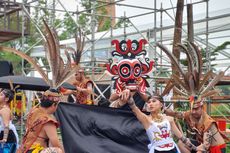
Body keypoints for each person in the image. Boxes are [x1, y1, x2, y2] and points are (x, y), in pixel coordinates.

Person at [122, 89, 200, 153]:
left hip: (173, 149)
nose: (150, 104)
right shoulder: (146, 120)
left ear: (161, 104)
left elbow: (182, 138)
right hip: (157, 151)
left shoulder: (169, 119)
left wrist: (196, 149)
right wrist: (129, 97)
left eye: (154, 101)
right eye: (149, 102)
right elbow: (134, 108)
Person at [17, 89, 64, 153]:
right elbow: (56, 144)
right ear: (53, 105)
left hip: (24, 148)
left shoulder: (33, 111)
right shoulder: (48, 121)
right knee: (58, 150)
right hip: (36, 151)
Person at [0, 89, 19, 153]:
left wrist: (5, 138)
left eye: (1, 95)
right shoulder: (4, 109)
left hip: (7, 138)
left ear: (6, 99)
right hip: (6, 135)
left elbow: (6, 125)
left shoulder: (5, 110)